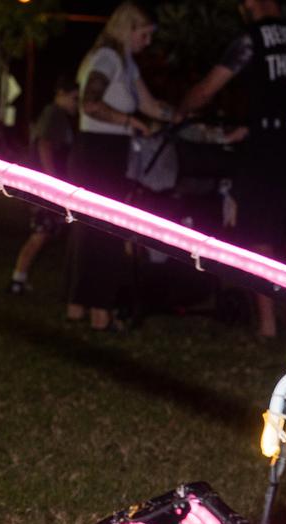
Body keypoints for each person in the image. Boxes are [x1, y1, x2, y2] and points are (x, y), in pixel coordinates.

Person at [180, 0, 286, 338]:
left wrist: (182, 109)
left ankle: (268, 326)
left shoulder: (251, 39)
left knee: (260, 236)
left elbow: (208, 89)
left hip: (268, 153)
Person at [66, 1, 179, 331]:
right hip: (96, 152)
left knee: (94, 229)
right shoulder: (107, 57)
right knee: (100, 231)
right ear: (128, 28)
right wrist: (129, 121)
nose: (148, 41)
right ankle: (97, 312)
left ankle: (81, 309)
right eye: (144, 34)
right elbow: (90, 103)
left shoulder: (126, 62)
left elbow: (151, 105)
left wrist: (184, 115)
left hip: (108, 152)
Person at [8, 77, 78, 295]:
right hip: (44, 186)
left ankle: (20, 278)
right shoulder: (54, 114)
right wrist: (52, 180)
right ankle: (17, 280)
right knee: (41, 231)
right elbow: (44, 144)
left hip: (45, 184)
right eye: (75, 98)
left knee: (47, 231)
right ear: (61, 94)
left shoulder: (59, 116)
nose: (77, 104)